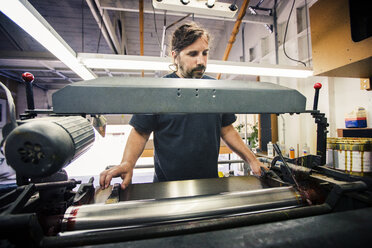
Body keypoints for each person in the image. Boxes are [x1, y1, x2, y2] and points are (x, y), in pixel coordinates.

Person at [100, 22, 266, 190]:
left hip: (209, 186)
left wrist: (252, 160)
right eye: (193, 54)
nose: (201, 61)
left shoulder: (215, 89)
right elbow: (140, 132)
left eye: (205, 53)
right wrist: (128, 163)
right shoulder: (159, 90)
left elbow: (227, 130)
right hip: (167, 189)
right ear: (175, 56)